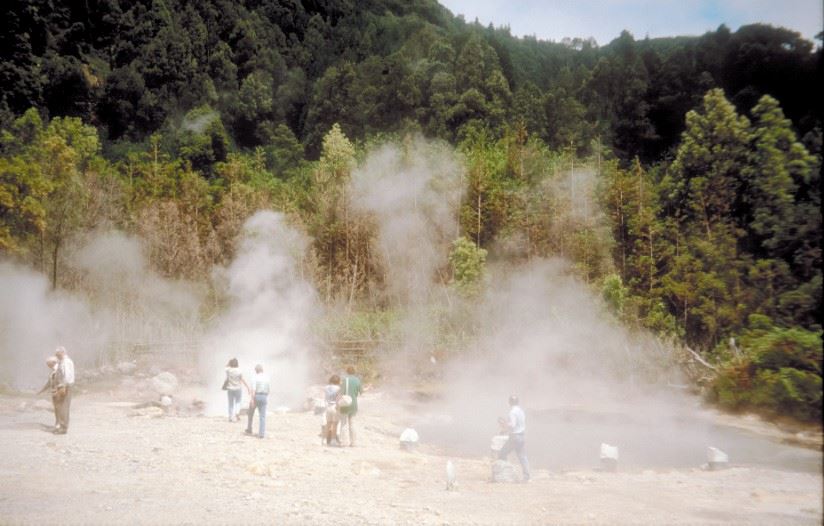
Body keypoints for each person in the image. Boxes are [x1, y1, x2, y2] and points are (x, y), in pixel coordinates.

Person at [498, 394, 530, 482]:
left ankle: (504, 475)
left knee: (502, 453)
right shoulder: (521, 411)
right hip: (522, 436)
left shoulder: (512, 412)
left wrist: (504, 424)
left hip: (515, 437)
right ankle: (527, 476)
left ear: (510, 402)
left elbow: (513, 425)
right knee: (522, 456)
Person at [338, 366, 362, 447]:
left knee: (344, 423)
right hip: (354, 404)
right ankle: (354, 442)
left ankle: (343, 442)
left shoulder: (345, 380)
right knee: (352, 424)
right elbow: (361, 392)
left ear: (347, 371)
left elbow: (341, 392)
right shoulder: (357, 380)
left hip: (345, 403)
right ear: (354, 372)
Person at [53, 346, 75, 435]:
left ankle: (63, 428)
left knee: (64, 407)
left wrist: (63, 385)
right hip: (64, 385)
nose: (56, 356)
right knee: (62, 406)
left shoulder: (66, 362)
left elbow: (67, 375)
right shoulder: (63, 361)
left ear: (62, 353)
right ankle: (62, 426)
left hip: (65, 386)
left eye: (57, 354)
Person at [244, 364, 269, 438]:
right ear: (262, 370)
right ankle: (261, 433)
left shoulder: (254, 377)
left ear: (256, 371)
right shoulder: (267, 377)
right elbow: (268, 389)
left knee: (250, 413)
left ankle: (249, 428)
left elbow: (253, 389)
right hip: (264, 396)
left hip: (256, 396)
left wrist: (252, 399)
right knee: (262, 416)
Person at [37, 356, 60, 430]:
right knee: (56, 408)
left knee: (59, 408)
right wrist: (41, 390)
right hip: (54, 392)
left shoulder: (59, 370)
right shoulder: (53, 371)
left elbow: (62, 381)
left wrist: (58, 390)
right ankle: (57, 423)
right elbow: (49, 383)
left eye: (48, 364)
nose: (47, 365)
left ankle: (59, 424)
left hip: (59, 391)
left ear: (53, 362)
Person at [224, 358, 249, 422]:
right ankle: (237, 412)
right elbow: (242, 379)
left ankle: (230, 417)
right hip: (238, 388)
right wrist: (247, 387)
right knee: (238, 401)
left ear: (231, 364)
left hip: (230, 388)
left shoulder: (228, 370)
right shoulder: (239, 370)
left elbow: (225, 367)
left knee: (230, 403)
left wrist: (229, 363)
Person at [322, 374, 341, 446]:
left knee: (328, 424)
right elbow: (338, 398)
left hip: (327, 407)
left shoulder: (326, 387)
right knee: (335, 424)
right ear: (338, 381)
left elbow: (324, 397)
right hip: (335, 407)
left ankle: (324, 440)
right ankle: (333, 440)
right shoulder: (338, 388)